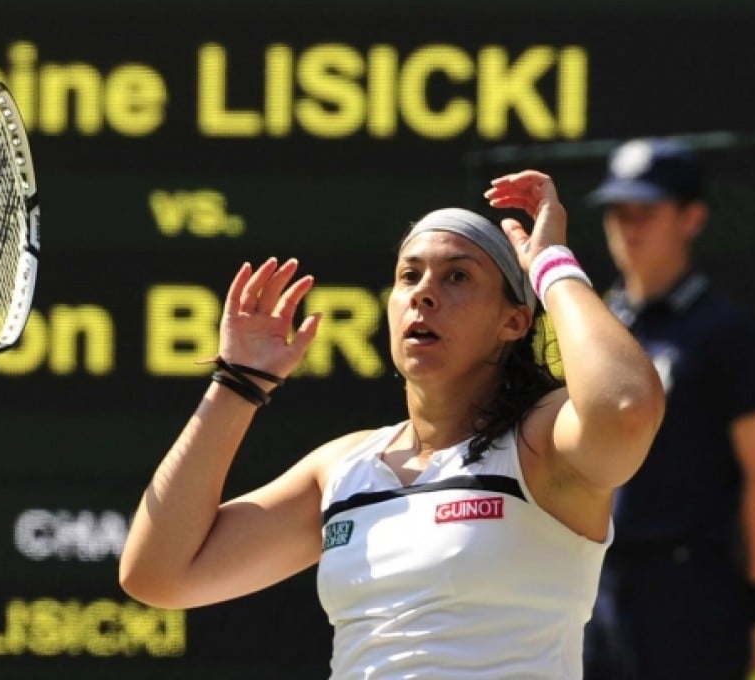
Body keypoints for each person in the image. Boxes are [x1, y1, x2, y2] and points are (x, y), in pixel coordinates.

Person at [119, 170, 665, 678]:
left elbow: (624, 407)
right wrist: (237, 383)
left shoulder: (540, 443)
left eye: (457, 277)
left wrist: (548, 262)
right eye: (410, 276)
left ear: (514, 321)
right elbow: (158, 573)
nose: (423, 293)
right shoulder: (344, 466)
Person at [581, 137, 755, 680]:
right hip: (594, 588)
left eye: (646, 211)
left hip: (692, 595)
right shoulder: (593, 327)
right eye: (618, 211)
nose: (628, 226)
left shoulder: (726, 333)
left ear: (692, 218)